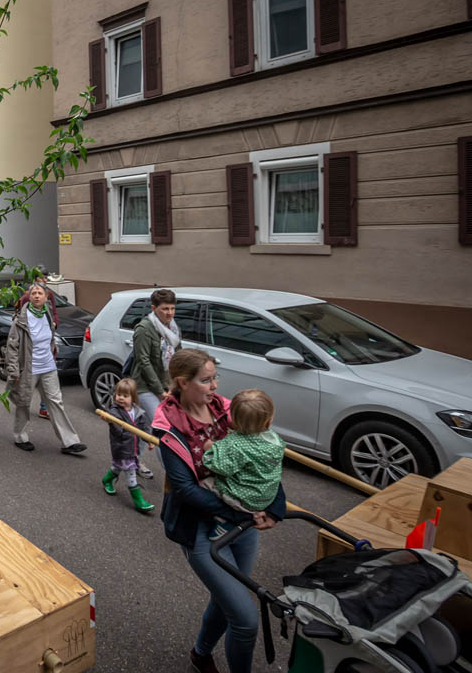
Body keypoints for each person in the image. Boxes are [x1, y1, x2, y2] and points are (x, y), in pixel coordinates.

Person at [152, 349, 285, 673]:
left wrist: (275, 506)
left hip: (242, 526)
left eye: (215, 378)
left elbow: (263, 460)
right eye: (207, 380)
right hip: (202, 531)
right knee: (245, 619)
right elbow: (186, 489)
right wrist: (242, 514)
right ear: (183, 383)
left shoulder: (227, 409)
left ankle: (200, 653)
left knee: (227, 598)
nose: (215, 386)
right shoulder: (168, 425)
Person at [2, 282, 87, 456]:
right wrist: (13, 370)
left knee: (56, 402)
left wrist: (53, 348)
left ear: (46, 297)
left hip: (48, 366)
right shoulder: (21, 319)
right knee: (24, 403)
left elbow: (50, 335)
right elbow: (12, 347)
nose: (37, 296)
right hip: (28, 368)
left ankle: (69, 442)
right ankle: (20, 436)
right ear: (29, 296)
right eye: (34, 293)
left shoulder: (46, 313)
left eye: (40, 293)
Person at [202, 389, 286, 541]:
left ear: (233, 420)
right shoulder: (276, 440)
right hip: (266, 497)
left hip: (244, 500)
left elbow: (221, 467)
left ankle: (226, 522)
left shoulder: (235, 444)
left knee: (204, 484)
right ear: (268, 421)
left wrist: (211, 448)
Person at [131, 288, 181, 478]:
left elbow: (178, 356)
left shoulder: (173, 327)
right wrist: (159, 391)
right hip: (145, 386)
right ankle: (174, 476)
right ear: (153, 308)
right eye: (165, 309)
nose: (169, 313)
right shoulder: (144, 329)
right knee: (162, 428)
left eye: (172, 309)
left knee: (145, 426)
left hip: (166, 385)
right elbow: (143, 361)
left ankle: (132, 460)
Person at [101, 378, 154, 513]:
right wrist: (111, 423)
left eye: (125, 396)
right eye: (119, 395)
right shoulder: (115, 412)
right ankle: (139, 502)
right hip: (122, 448)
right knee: (131, 473)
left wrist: (149, 439)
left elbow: (143, 428)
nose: (121, 398)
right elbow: (117, 432)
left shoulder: (137, 412)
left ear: (133, 397)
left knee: (117, 467)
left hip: (133, 448)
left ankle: (107, 480)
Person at [14, 274, 59, 419]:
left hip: (46, 357)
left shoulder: (49, 294)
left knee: (52, 392)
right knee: (25, 395)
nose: (44, 279)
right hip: (30, 359)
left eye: (45, 277)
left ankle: (44, 408)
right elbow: (23, 315)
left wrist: (54, 323)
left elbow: (54, 312)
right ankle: (21, 432)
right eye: (41, 277)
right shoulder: (27, 297)